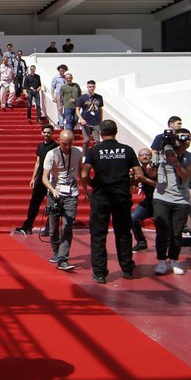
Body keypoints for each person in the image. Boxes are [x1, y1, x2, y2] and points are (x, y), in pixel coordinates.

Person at [82, 120, 141, 283]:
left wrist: (94, 186)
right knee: (123, 232)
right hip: (121, 196)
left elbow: (85, 174)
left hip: (101, 196)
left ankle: (100, 272)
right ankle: (127, 268)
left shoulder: (94, 150)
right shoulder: (127, 150)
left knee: (98, 234)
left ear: (101, 132)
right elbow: (139, 174)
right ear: (116, 131)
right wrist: (131, 185)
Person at [151, 128, 191, 276]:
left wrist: (175, 162)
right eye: (180, 140)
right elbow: (152, 173)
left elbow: (185, 176)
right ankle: (161, 260)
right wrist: (153, 164)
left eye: (187, 140)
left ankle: (173, 259)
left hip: (181, 200)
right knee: (162, 230)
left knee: (177, 233)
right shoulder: (161, 154)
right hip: (161, 197)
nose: (184, 144)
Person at [42, 129, 83, 271]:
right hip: (55, 192)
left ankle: (63, 258)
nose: (67, 147)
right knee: (53, 228)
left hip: (71, 193)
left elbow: (81, 171)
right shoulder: (51, 154)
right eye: (64, 144)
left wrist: (85, 189)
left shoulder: (78, 152)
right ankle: (56, 250)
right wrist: (53, 191)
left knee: (67, 225)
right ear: (59, 140)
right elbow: (44, 178)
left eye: (70, 144)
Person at [12, 123, 56, 236]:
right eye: (44, 132)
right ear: (41, 133)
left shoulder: (55, 147)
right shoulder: (40, 146)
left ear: (52, 134)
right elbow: (37, 162)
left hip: (50, 179)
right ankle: (28, 226)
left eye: (48, 132)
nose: (46, 134)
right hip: (40, 179)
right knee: (34, 203)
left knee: (52, 204)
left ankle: (49, 227)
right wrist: (33, 178)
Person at [131, 147, 157, 252]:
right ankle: (141, 242)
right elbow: (132, 189)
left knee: (162, 224)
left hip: (160, 201)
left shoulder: (157, 168)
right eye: (142, 155)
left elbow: (159, 185)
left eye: (147, 155)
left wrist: (144, 179)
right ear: (138, 158)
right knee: (133, 218)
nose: (145, 156)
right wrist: (132, 181)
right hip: (148, 201)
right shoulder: (138, 170)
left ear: (151, 157)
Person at [77, 80, 104, 146]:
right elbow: (77, 109)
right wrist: (81, 119)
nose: (91, 88)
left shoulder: (99, 97)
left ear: (95, 87)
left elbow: (100, 109)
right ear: (87, 87)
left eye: (92, 86)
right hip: (86, 122)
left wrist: (101, 120)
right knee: (86, 140)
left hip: (96, 122)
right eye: (90, 87)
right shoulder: (82, 97)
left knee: (97, 141)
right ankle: (84, 155)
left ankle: (95, 155)